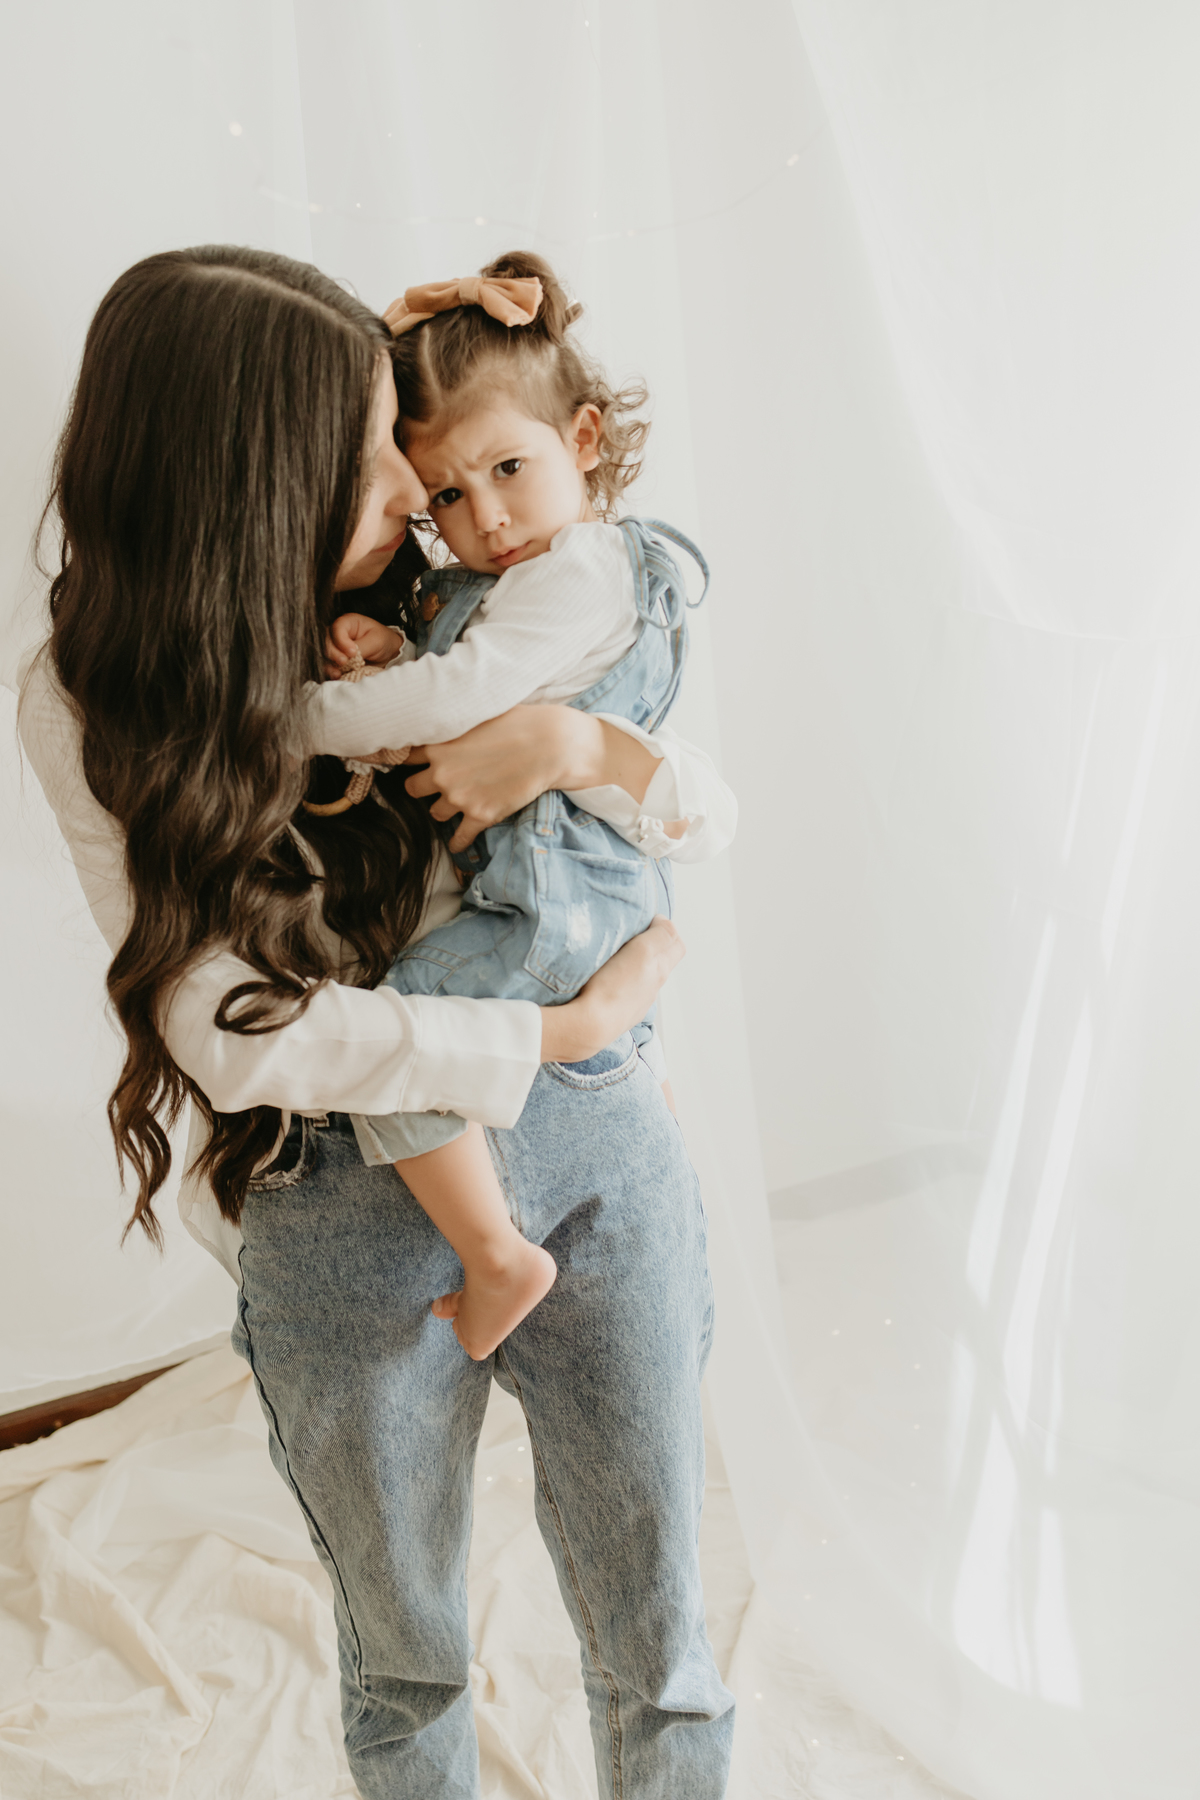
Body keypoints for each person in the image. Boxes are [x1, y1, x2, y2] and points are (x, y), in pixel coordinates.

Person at [18, 244, 736, 1800]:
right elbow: (228, 1027)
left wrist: (569, 741)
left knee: (664, 1640)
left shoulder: (489, 579)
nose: (418, 500)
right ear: (249, 490)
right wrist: (539, 1039)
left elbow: (696, 816)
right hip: (344, 1200)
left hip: (601, 1140)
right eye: (369, 468)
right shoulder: (92, 698)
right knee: (406, 1660)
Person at [307, 250, 713, 1361]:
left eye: (507, 469)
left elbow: (464, 696)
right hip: (578, 896)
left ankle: (496, 1255)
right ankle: (639, 1146)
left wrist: (289, 715)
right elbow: (472, 677)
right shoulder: (528, 581)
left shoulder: (579, 569)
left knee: (401, 1037)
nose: (483, 516)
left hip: (557, 899)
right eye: (446, 493)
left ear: (583, 441)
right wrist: (397, 645)